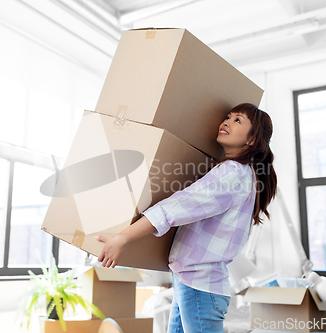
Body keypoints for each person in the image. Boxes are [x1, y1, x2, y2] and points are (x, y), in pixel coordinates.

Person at [95, 103, 277, 333]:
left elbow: (176, 207)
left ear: (252, 140)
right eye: (228, 117)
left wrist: (122, 238)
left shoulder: (232, 173)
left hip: (200, 285)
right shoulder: (242, 173)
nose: (226, 122)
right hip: (192, 282)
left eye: (237, 120)